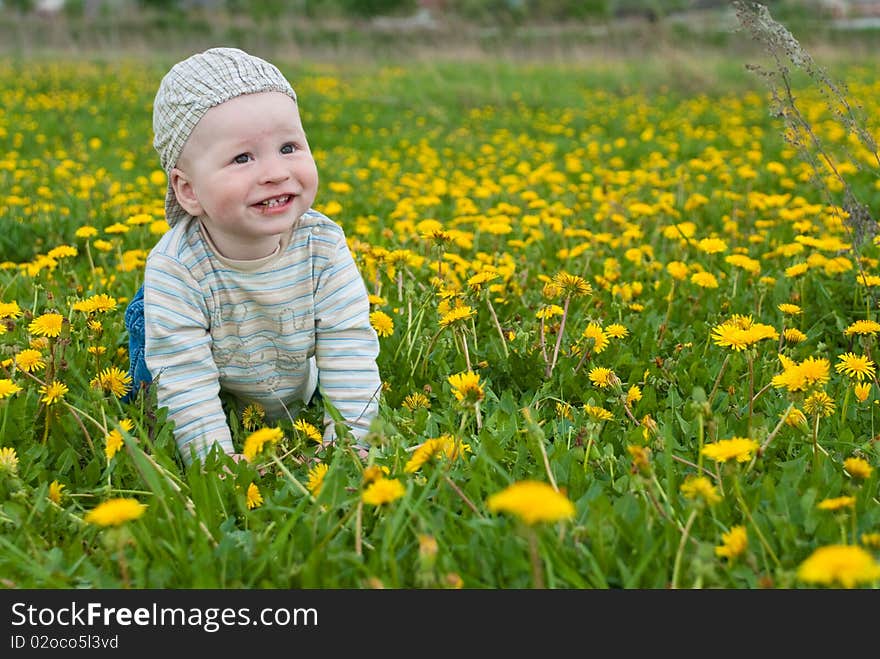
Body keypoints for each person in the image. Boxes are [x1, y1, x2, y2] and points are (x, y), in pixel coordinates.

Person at [123, 47, 381, 468]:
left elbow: (348, 344)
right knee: (155, 394)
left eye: (289, 147)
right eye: (242, 158)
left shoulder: (324, 246)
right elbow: (185, 380)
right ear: (188, 190)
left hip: (286, 373)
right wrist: (216, 462)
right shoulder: (176, 268)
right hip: (199, 374)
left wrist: (351, 443)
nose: (275, 172)